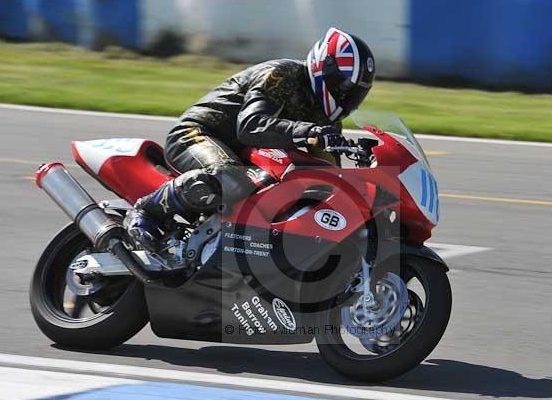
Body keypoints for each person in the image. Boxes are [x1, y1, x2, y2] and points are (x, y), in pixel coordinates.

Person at [124, 27, 376, 251]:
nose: (347, 97)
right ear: (325, 69)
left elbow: (327, 178)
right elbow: (250, 125)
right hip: (198, 133)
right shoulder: (283, 75)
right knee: (230, 175)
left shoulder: (328, 121)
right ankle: (147, 210)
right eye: (344, 87)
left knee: (287, 187)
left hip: (243, 156)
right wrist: (307, 132)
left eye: (355, 93)